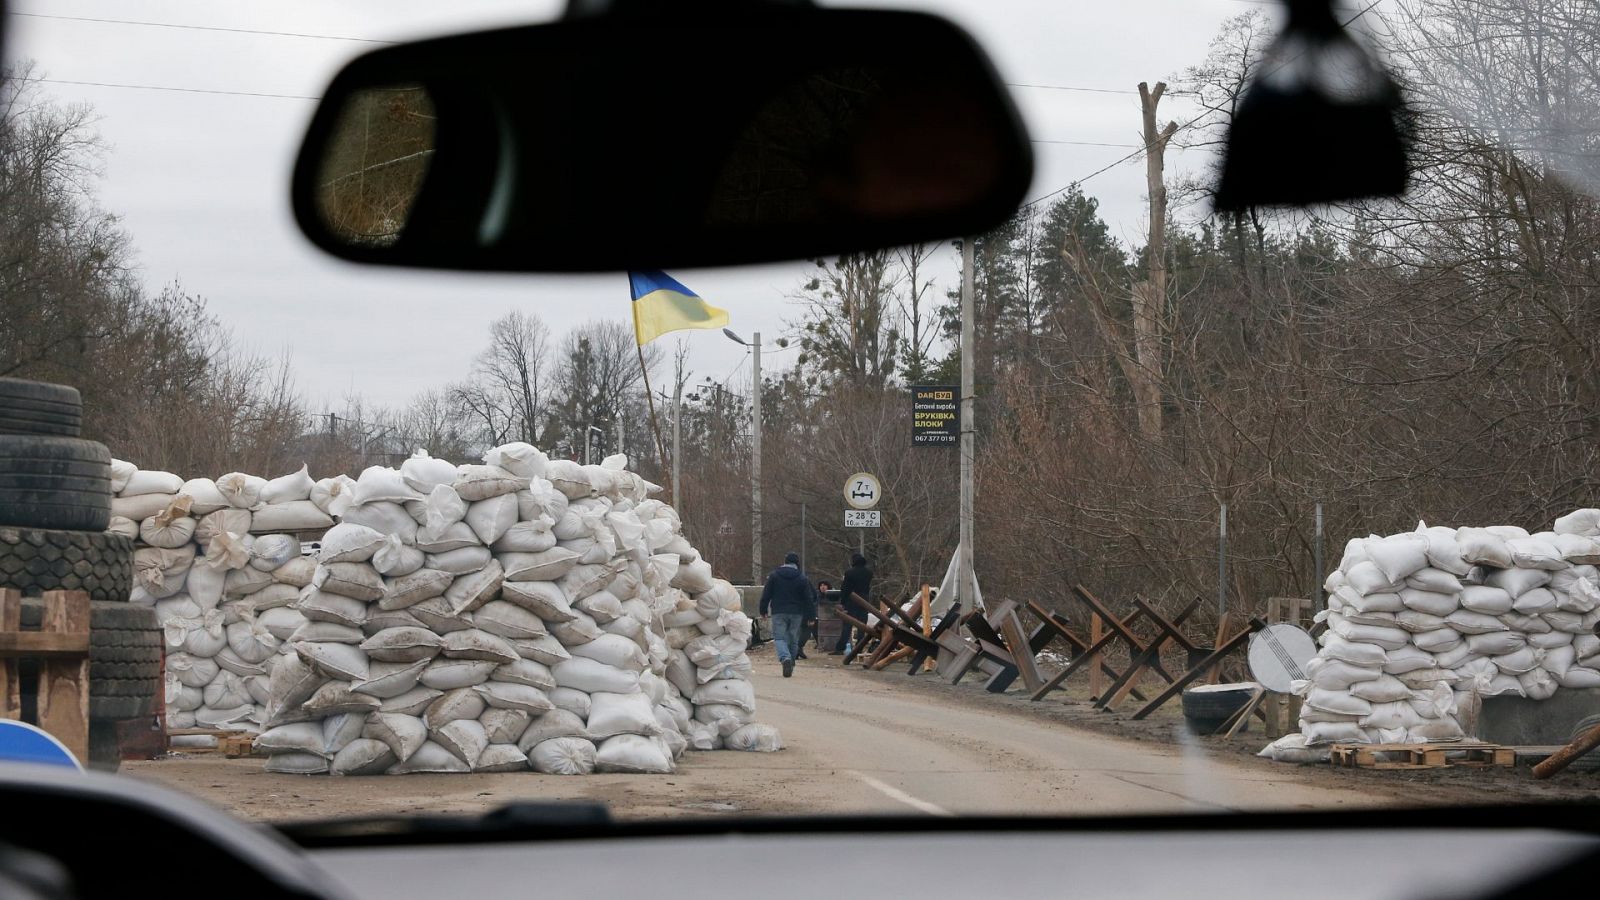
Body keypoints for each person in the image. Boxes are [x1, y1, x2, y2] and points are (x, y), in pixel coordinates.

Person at [759, 551, 818, 678]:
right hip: (797, 612)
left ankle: (785, 658)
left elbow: (766, 594)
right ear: (797, 563)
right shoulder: (802, 578)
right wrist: (811, 616)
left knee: (780, 638)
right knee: (793, 639)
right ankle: (790, 661)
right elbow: (808, 598)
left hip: (778, 611)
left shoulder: (774, 575)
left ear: (785, 562)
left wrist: (763, 610)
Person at [833, 553, 873, 656]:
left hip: (852, 599)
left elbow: (845, 588)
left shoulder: (849, 572)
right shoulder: (869, 573)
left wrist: (842, 601)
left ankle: (840, 648)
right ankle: (859, 647)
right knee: (862, 625)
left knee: (847, 624)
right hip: (864, 599)